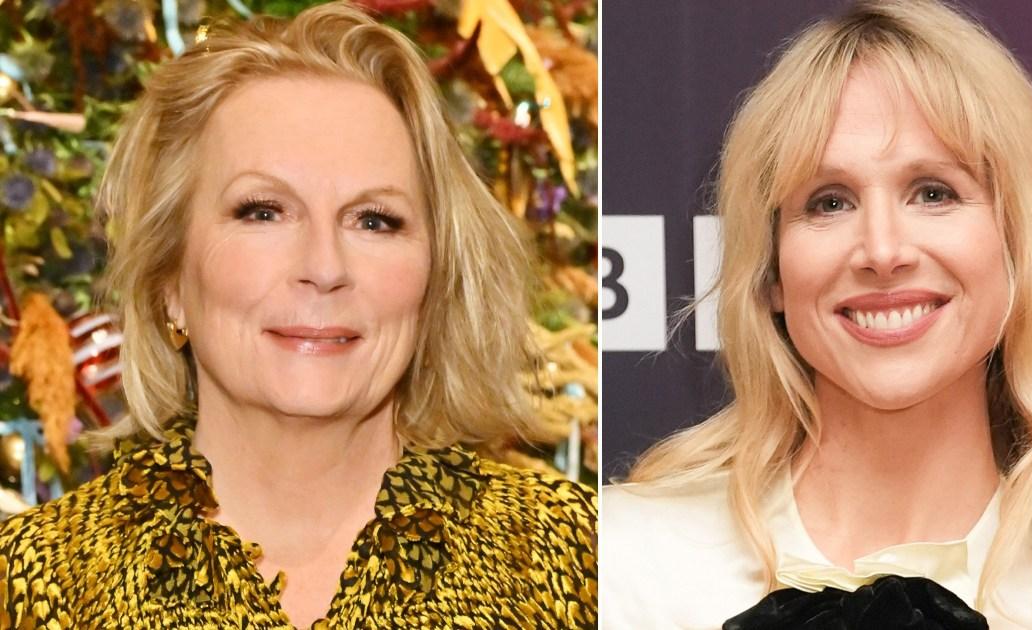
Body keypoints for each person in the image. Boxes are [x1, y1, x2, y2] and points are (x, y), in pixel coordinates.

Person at [602, 1, 1032, 628]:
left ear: (1022, 246)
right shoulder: (621, 572)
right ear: (771, 269)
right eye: (830, 202)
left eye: (933, 193)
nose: (883, 251)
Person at [0, 4, 596, 628]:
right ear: (169, 277)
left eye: (374, 221)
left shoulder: (581, 563)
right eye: (263, 212)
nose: (324, 266)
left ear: (435, 277)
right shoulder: (32, 584)